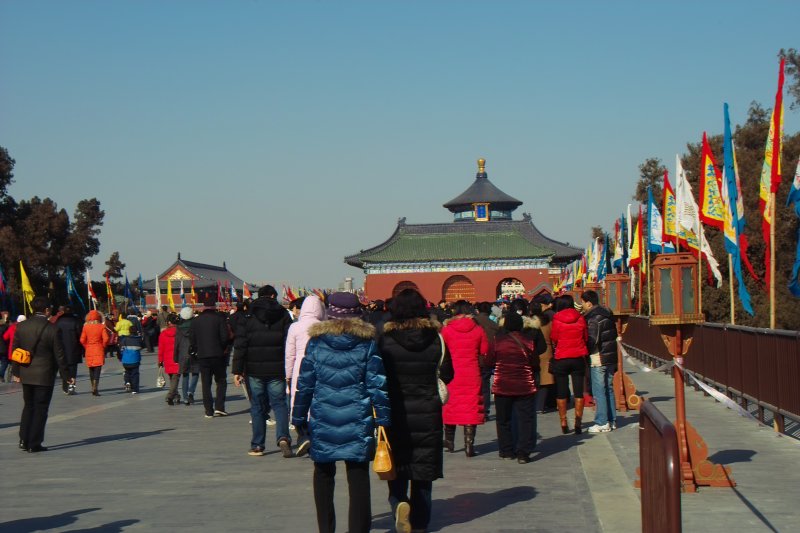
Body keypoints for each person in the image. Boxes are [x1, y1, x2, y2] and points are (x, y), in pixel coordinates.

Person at [292, 291, 390, 533]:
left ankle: (326, 528)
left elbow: (305, 384)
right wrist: (384, 418)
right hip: (357, 417)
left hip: (324, 416)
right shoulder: (367, 344)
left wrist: (298, 417)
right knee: (357, 476)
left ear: (330, 313)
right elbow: (377, 384)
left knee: (323, 473)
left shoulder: (316, 343)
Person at [378, 288, 453, 533]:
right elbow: (448, 374)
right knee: (423, 470)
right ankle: (420, 523)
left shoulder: (385, 340)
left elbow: (377, 376)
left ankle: (399, 503)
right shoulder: (436, 338)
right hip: (427, 410)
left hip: (395, 411)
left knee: (397, 465)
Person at [233, 293, 294, 457]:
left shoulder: (248, 316)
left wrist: (237, 370)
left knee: (258, 407)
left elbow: (240, 345)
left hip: (254, 370)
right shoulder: (283, 314)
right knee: (280, 404)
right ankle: (283, 437)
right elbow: (289, 343)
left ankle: (258, 445)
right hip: (277, 368)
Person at [12, 296, 72, 452]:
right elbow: (60, 355)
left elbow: (15, 351)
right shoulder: (52, 328)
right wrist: (67, 376)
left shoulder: (22, 326)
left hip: (26, 372)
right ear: (46, 310)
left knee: (28, 406)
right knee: (41, 408)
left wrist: (16, 371)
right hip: (44, 374)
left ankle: (23, 440)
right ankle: (34, 443)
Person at [485, 312, 544, 463]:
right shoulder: (529, 342)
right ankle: (523, 453)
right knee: (525, 419)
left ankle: (506, 450)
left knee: (503, 419)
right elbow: (535, 362)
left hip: (503, 385)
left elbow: (489, 361)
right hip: (524, 385)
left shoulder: (497, 342)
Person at [440, 300, 488, 457]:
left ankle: (449, 442)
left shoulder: (446, 330)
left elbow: (441, 351)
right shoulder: (478, 330)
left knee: (450, 407)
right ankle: (469, 445)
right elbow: (484, 350)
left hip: (451, 374)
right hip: (471, 374)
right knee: (471, 408)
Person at [285, 294, 325, 454]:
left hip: (299, 367)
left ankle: (304, 435)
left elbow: (290, 354)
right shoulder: (324, 325)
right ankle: (315, 438)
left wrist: (288, 374)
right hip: (319, 367)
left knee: (299, 401)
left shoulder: (295, 326)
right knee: (317, 403)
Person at [550, 294, 589, 434]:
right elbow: (585, 336)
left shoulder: (556, 319)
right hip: (578, 357)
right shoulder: (580, 318)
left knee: (561, 391)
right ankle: (578, 422)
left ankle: (563, 421)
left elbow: (554, 337)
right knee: (578, 391)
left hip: (561, 357)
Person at [581, 290, 618, 433]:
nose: (582, 306)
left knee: (599, 390)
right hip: (610, 357)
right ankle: (611, 420)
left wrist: (585, 351)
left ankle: (602, 421)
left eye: (583, 303)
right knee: (608, 388)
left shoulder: (593, 318)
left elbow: (592, 340)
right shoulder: (607, 314)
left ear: (589, 303)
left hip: (598, 357)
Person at [190, 305, 231, 417]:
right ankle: (219, 407)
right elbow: (224, 337)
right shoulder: (219, 319)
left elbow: (192, 339)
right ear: (214, 307)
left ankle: (208, 410)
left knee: (206, 383)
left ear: (203, 307)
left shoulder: (196, 320)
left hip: (203, 355)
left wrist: (197, 349)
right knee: (221, 381)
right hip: (218, 355)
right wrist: (222, 348)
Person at [531, 294, 556, 414]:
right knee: (546, 380)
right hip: (547, 351)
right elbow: (553, 338)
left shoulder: (529, 322)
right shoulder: (548, 322)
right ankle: (541, 405)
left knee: (535, 379)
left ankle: (536, 404)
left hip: (533, 352)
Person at [474, 301, 499, 418]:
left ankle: (475, 408)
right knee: (485, 384)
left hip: (473, 358)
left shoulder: (473, 323)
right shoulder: (494, 325)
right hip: (487, 358)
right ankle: (485, 409)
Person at [80, 310, 110, 396]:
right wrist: (103, 346)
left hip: (89, 349)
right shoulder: (101, 326)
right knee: (98, 368)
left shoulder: (85, 327)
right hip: (98, 348)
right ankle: (95, 387)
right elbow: (106, 339)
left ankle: (92, 385)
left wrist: (86, 346)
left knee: (91, 369)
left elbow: (82, 340)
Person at [174, 306, 199, 405]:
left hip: (183, 353)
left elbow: (177, 343)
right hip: (195, 351)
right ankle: (191, 391)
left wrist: (175, 356)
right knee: (195, 373)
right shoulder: (196, 325)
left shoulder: (179, 327)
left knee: (185, 375)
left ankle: (185, 397)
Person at [56, 305, 83, 395]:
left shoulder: (58, 321)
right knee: (72, 368)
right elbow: (80, 334)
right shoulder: (75, 321)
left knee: (63, 367)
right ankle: (71, 386)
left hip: (61, 348)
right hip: (73, 347)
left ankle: (65, 386)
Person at [159, 313, 181, 405]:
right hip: (178, 358)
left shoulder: (163, 334)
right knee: (175, 378)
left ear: (168, 322)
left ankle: (176, 395)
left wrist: (160, 361)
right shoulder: (180, 332)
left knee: (172, 378)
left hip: (167, 359)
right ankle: (170, 396)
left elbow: (161, 349)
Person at [120, 327, 144, 394]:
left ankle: (127, 382)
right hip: (135, 360)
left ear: (129, 331)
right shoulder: (138, 339)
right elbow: (142, 346)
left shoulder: (124, 339)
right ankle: (135, 389)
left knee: (127, 372)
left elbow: (121, 348)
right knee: (135, 374)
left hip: (126, 360)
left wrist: (121, 356)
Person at [0, 310, 11, 382]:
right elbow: (6, 337)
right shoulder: (5, 327)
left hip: (2, 348)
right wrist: (6, 319)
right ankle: (0, 375)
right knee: (5, 362)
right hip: (3, 348)